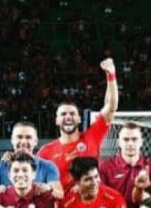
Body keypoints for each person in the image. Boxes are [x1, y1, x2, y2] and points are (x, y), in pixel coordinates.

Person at [37, 58, 119, 192]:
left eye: (72, 114)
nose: (68, 117)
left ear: (79, 119)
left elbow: (111, 107)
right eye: (63, 114)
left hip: (92, 204)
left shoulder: (92, 137)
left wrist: (111, 75)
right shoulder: (45, 152)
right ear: (56, 120)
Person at [99, 121, 151, 208]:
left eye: (134, 139)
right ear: (119, 142)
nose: (130, 143)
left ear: (141, 142)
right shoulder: (105, 168)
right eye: (126, 139)